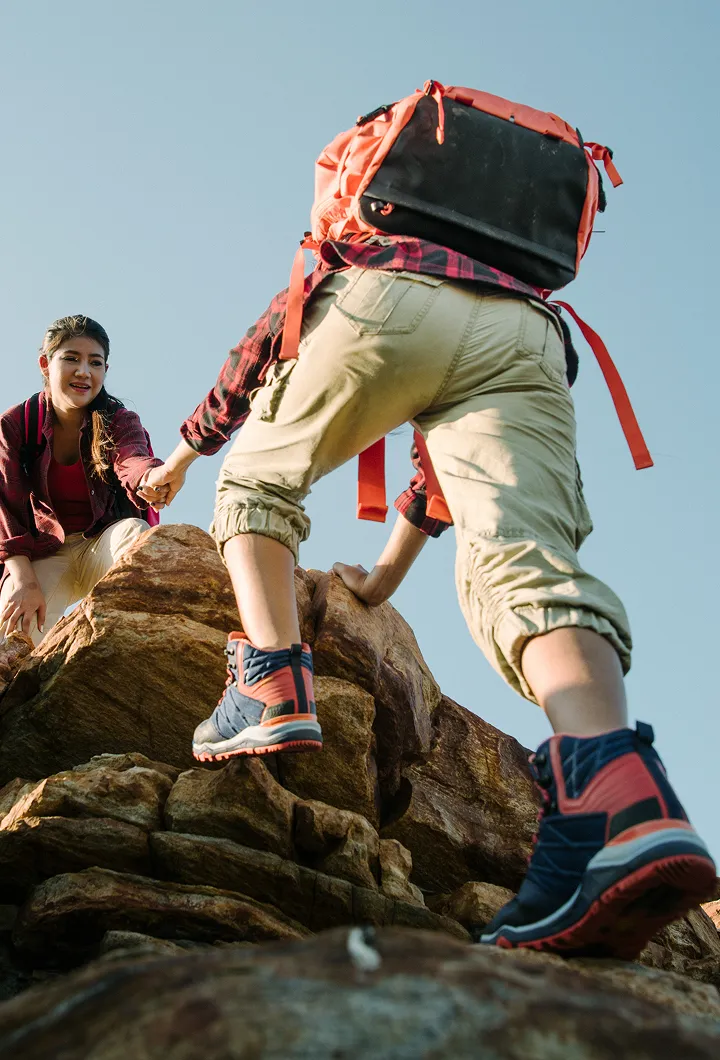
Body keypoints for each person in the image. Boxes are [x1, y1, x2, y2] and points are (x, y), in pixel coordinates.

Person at [145, 238, 715, 956]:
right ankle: (613, 787)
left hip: (388, 293)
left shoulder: (375, 227)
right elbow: (438, 475)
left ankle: (271, 682)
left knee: (257, 483)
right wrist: (381, 582)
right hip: (532, 334)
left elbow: (264, 344)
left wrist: (183, 457)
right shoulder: (513, 254)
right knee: (523, 559)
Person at [0, 315, 167, 645]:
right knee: (13, 637)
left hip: (101, 542)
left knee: (138, 537)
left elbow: (131, 460)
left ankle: (132, 639)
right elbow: (5, 506)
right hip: (46, 553)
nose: (84, 372)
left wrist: (150, 476)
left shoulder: (118, 419)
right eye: (71, 359)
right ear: (45, 363)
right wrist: (23, 579)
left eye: (96, 363)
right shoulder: (16, 424)